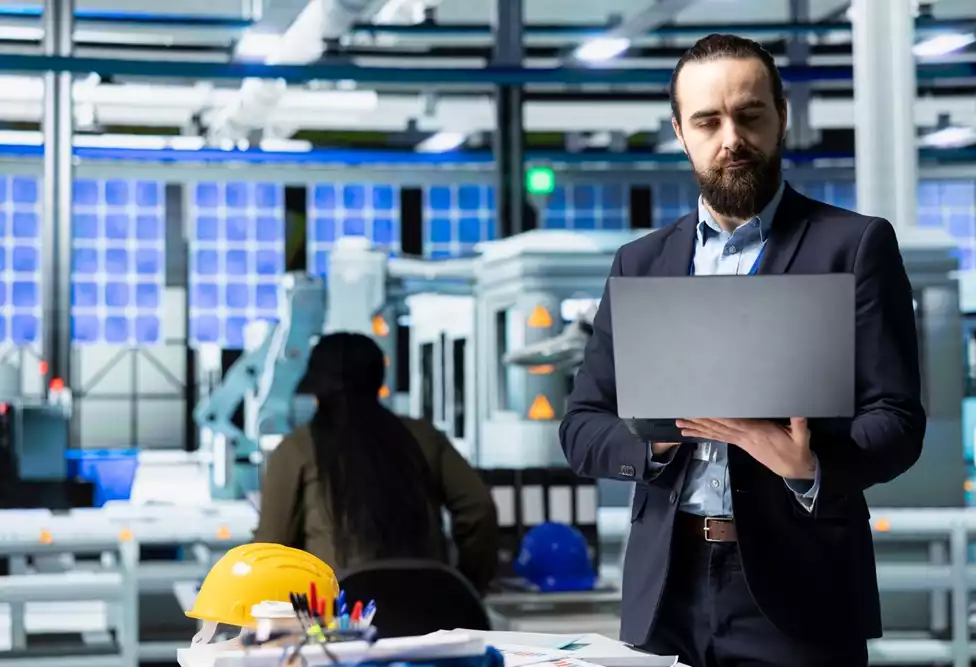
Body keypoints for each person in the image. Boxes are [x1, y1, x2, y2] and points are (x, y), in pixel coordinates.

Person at [559, 33, 925, 667]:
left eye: (750, 114)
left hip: (800, 591)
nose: (732, 137)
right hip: (666, 589)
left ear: (781, 116)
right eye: (708, 120)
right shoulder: (641, 264)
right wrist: (655, 442)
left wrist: (808, 466)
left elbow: (897, 420)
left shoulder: (853, 247)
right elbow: (582, 426)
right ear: (681, 131)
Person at [254, 332, 499, 594]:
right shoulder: (423, 437)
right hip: (428, 607)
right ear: (378, 379)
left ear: (315, 385)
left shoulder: (296, 450)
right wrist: (468, 584)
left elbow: (272, 550)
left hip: (338, 619)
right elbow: (479, 509)